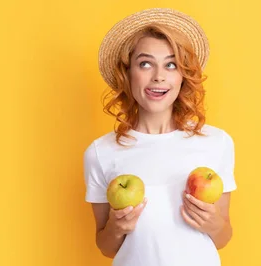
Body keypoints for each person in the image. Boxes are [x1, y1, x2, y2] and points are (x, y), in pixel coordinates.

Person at [83, 8, 237, 266]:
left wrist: (213, 224)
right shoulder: (100, 152)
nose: (159, 76)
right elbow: (106, 247)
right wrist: (117, 227)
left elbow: (223, 237)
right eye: (145, 64)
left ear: (182, 76)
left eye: (171, 64)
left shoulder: (216, 143)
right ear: (128, 73)